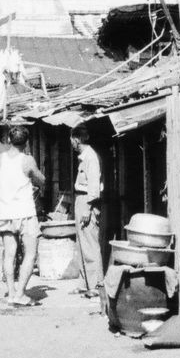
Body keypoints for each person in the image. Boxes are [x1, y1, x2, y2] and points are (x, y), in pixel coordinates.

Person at [0, 125, 44, 306]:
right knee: (30, 254)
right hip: (26, 213)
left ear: (9, 140)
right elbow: (41, 180)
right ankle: (21, 293)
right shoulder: (27, 160)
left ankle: (11, 292)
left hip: (5, 213)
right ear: (26, 142)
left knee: (9, 255)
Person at [71, 123, 105, 307]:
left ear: (77, 139)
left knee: (90, 243)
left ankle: (95, 285)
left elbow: (93, 185)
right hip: (81, 200)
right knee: (81, 243)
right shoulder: (83, 157)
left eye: (72, 139)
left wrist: (88, 208)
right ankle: (85, 284)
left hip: (88, 202)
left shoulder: (91, 157)